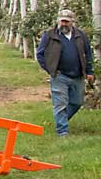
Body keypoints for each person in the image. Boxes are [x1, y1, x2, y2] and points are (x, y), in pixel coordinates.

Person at [35, 9, 95, 137]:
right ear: (58, 21)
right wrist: (50, 69)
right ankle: (62, 131)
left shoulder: (81, 36)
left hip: (78, 75)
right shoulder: (50, 35)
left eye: (67, 22)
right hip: (59, 75)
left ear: (72, 22)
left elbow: (88, 54)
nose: (64, 24)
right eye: (62, 21)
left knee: (77, 102)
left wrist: (89, 71)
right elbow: (40, 54)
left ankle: (61, 121)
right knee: (60, 103)